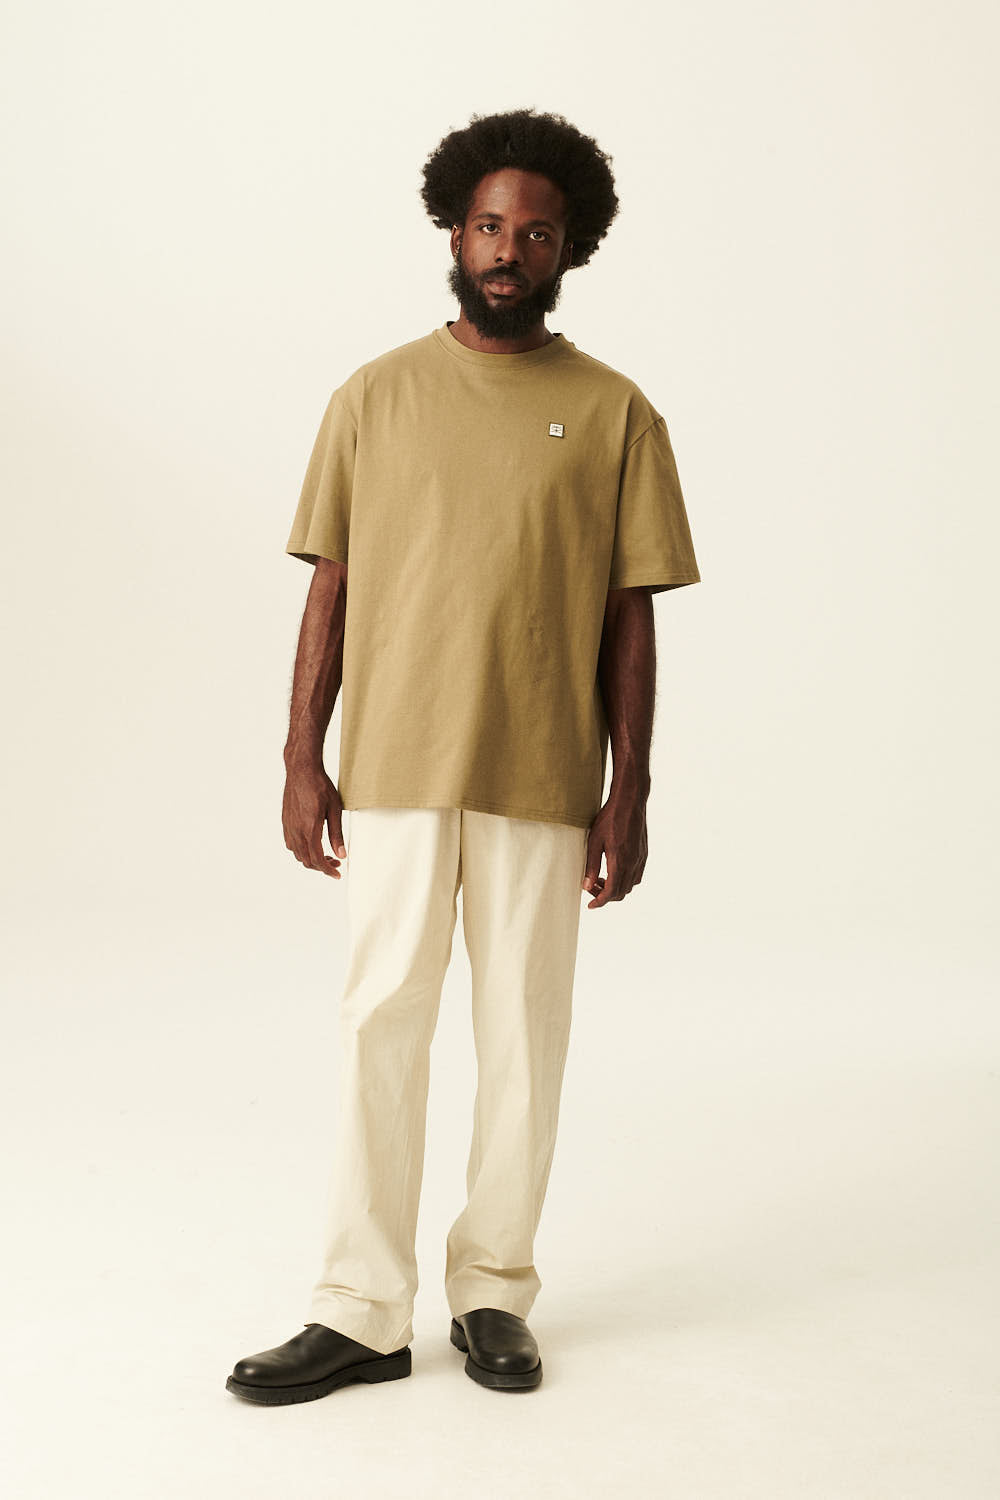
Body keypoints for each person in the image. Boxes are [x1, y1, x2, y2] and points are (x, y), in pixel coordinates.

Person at [226, 106, 701, 1405]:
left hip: (542, 775)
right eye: (489, 226)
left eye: (535, 234)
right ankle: (360, 1309)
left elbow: (631, 613)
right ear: (452, 231)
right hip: (391, 767)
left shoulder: (614, 413)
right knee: (379, 1021)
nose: (507, 250)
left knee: (524, 1039)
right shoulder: (373, 396)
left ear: (569, 249)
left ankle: (493, 1291)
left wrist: (630, 791)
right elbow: (330, 584)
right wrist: (300, 757)